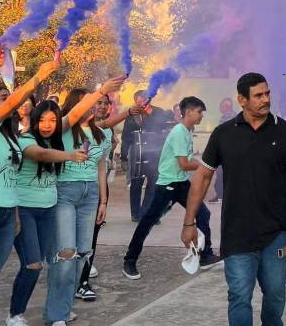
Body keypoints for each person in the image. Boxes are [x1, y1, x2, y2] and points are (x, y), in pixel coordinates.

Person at [181, 73, 286, 326]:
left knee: (275, 293)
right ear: (242, 100)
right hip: (236, 234)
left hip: (276, 234)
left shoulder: (285, 131)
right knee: (240, 296)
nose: (265, 100)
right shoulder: (223, 134)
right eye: (258, 95)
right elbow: (203, 177)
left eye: (267, 93)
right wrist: (189, 223)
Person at [45, 76, 126, 326]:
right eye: (87, 102)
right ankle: (56, 313)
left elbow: (101, 168)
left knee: (83, 253)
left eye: (96, 102)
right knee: (66, 254)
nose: (93, 106)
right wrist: (101, 89)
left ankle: (64, 306)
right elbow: (75, 113)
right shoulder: (64, 128)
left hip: (90, 195)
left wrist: (103, 202)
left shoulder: (101, 133)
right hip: (65, 192)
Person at [8, 100, 88, 326]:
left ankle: (56, 313)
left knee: (48, 261)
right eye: (42, 120)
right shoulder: (25, 139)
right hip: (25, 210)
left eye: (53, 120)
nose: (47, 124)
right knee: (32, 264)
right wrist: (70, 156)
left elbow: (74, 113)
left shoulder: (54, 138)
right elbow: (41, 155)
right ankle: (15, 315)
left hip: (49, 211)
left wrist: (102, 91)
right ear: (34, 120)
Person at [123, 96, 218, 279]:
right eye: (199, 112)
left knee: (203, 214)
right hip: (167, 184)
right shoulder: (179, 132)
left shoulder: (188, 131)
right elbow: (183, 163)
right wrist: (200, 165)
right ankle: (129, 260)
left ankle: (205, 255)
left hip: (181, 183)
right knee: (148, 221)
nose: (201, 117)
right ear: (189, 112)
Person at [0, 55, 60, 294]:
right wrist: (41, 74)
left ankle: (13, 315)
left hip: (9, 211)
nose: (11, 104)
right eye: (4, 99)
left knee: (4, 272)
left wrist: (16, 213)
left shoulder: (11, 137)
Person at [75, 95, 144, 299]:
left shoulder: (106, 131)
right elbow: (103, 123)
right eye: (99, 103)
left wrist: (104, 199)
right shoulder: (77, 129)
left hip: (98, 186)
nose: (103, 107)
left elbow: (102, 164)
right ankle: (70, 276)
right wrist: (129, 112)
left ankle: (83, 280)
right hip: (76, 186)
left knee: (92, 235)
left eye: (106, 103)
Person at [120, 91, 171, 222]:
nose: (140, 105)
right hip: (137, 154)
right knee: (136, 184)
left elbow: (165, 127)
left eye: (142, 102)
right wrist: (124, 156)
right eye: (137, 102)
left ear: (148, 100)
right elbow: (125, 137)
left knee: (153, 184)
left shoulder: (158, 112)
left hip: (155, 154)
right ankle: (136, 213)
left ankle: (147, 212)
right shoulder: (131, 115)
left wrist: (150, 115)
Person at [209, 97, 236, 203]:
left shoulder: (230, 117)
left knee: (221, 174)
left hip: (227, 151)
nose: (222, 107)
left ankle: (221, 196)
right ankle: (222, 195)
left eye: (223, 105)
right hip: (227, 151)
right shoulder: (229, 116)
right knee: (222, 174)